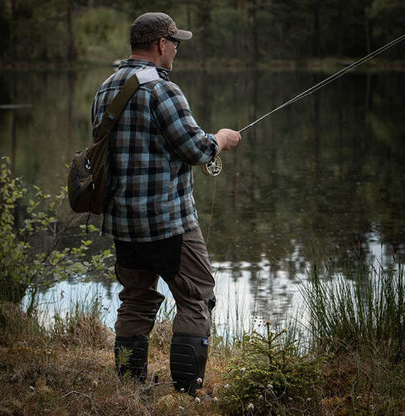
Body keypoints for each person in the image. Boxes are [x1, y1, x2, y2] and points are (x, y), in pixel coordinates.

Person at [91, 12, 241, 395]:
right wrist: (220, 138)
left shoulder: (106, 88)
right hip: (167, 223)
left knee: (136, 300)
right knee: (197, 296)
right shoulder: (162, 89)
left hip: (123, 223)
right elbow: (195, 149)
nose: (176, 50)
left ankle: (129, 388)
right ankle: (187, 391)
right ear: (161, 44)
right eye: (175, 43)